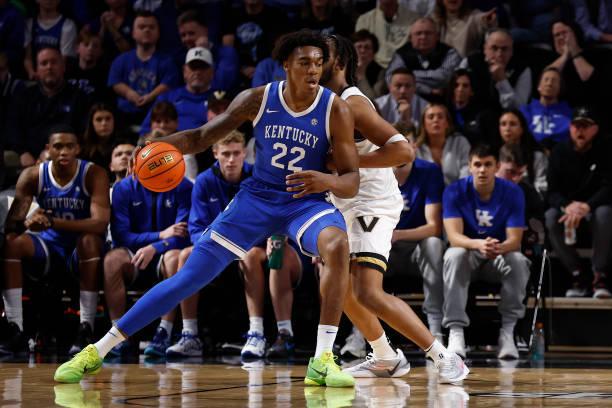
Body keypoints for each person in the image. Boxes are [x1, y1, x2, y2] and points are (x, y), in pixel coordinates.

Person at [55, 30, 359, 388]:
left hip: (305, 202)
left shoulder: (336, 107)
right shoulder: (257, 99)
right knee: (187, 278)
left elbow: (351, 180)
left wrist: (325, 180)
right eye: (304, 62)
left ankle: (322, 359)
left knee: (337, 244)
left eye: (318, 63)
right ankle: (97, 350)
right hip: (258, 200)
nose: (313, 70)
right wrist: (156, 147)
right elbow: (200, 137)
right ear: (285, 65)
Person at [321, 34, 468, 382]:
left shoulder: (354, 103)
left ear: (338, 62)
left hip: (370, 201)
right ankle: (385, 356)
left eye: (319, 57)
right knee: (336, 287)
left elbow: (403, 152)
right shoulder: (318, 102)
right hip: (341, 200)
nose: (311, 64)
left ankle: (444, 357)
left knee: (367, 291)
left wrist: (350, 161)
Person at [174, 132, 302, 359]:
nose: (231, 160)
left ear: (245, 153)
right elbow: (196, 228)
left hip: (253, 247)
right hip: (219, 247)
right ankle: (189, 335)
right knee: (185, 255)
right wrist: (216, 247)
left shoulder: (259, 178)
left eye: (236, 153)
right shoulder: (204, 181)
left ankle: (257, 333)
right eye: (226, 154)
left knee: (251, 255)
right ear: (215, 154)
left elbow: (276, 215)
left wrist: (273, 236)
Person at [0, 126, 110, 355]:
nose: (64, 152)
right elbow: (12, 225)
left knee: (89, 241)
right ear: (48, 149)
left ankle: (86, 326)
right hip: (49, 247)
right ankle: (15, 328)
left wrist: (53, 222)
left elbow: (99, 224)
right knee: (12, 242)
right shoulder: (32, 175)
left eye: (69, 146)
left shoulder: (93, 173)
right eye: (58, 146)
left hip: (80, 250)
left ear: (78, 149)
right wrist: (29, 221)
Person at [442, 143, 531, 359]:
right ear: (469, 166)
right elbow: (454, 237)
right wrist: (479, 244)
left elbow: (515, 240)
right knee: (454, 255)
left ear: (497, 166)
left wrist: (496, 247)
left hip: (498, 255)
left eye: (488, 164)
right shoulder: (454, 190)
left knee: (518, 260)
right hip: (469, 256)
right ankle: (456, 332)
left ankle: (508, 332)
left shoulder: (513, 192)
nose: (482, 170)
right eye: (478, 164)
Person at [102, 158, 192, 358]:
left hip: (167, 251)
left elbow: (183, 234)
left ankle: (164, 332)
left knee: (175, 258)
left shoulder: (183, 185)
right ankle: (116, 335)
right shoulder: (123, 188)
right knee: (111, 260)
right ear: (136, 163)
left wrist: (156, 246)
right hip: (133, 253)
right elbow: (121, 236)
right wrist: (160, 236)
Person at [545, 106, 612, 298]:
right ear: (570, 128)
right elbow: (551, 192)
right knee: (550, 217)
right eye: (576, 126)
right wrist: (568, 206)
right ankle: (578, 274)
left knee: (605, 213)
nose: (580, 130)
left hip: (594, 208)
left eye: (585, 126)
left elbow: (609, 187)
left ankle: (599, 276)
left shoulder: (605, 150)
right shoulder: (559, 152)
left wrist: (587, 206)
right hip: (568, 210)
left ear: (595, 129)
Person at [387, 133, 446, 342]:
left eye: (405, 143)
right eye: (394, 144)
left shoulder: (429, 171)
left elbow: (434, 228)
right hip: (385, 248)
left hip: (415, 247)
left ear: (414, 146)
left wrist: (398, 234)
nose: (400, 149)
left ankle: (435, 328)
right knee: (365, 248)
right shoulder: (375, 171)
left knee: (434, 244)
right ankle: (360, 333)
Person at [6, 47, 90, 170]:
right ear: (37, 70)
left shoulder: (79, 97)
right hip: (29, 159)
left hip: (67, 157)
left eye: (54, 62)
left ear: (63, 67)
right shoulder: (24, 96)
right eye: (44, 63)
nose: (49, 67)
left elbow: (84, 132)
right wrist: (22, 152)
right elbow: (13, 128)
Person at [107, 10, 179, 128]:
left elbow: (168, 84)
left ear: (158, 32)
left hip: (156, 118)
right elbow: (115, 81)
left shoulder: (167, 61)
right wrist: (129, 93)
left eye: (151, 27)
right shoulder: (121, 60)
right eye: (142, 27)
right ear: (133, 33)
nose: (147, 30)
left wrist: (150, 97)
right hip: (124, 117)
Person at [385, 17, 462, 102]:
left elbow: (444, 77)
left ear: (437, 36)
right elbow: (391, 79)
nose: (423, 37)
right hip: (408, 101)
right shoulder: (400, 54)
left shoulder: (450, 53)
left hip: (444, 101)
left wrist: (410, 78)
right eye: (418, 33)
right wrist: (428, 90)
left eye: (428, 33)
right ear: (410, 38)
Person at [460, 29, 532, 111]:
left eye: (504, 49)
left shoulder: (522, 69)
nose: (499, 54)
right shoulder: (470, 62)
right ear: (485, 49)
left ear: (511, 51)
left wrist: (502, 81)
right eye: (494, 48)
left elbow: (519, 108)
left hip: (503, 117)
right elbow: (455, 95)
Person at [415, 103, 471, 185]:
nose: (436, 120)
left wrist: (457, 190)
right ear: (424, 124)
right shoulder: (417, 148)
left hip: (458, 191)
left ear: (447, 123)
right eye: (431, 117)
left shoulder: (460, 142)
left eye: (440, 117)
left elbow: (466, 170)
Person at [355, 0, 420, 68]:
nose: (388, 6)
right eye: (385, 4)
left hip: (404, 65)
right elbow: (360, 47)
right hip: (373, 65)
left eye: (390, 4)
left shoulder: (414, 19)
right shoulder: (364, 20)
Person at [496, 109, 548, 195]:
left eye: (513, 124)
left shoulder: (537, 156)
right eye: (503, 124)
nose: (507, 129)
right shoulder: (493, 154)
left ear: (522, 129)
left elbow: (542, 188)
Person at [23, 0, 77, 80]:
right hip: (36, 76)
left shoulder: (68, 25)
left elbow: (64, 59)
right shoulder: (29, 24)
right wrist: (31, 72)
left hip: (58, 76)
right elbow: (28, 57)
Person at [520, 67, 571, 150]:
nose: (549, 84)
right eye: (546, 79)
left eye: (554, 81)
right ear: (538, 86)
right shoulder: (525, 111)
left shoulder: (569, 115)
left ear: (560, 88)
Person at [432, 0, 497, 58]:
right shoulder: (435, 19)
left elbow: (482, 19)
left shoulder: (473, 17)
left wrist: (487, 21)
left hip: (467, 66)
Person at [375, 68, 427, 134]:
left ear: (414, 87)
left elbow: (426, 135)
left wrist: (408, 121)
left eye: (407, 86)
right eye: (398, 86)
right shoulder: (378, 105)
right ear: (390, 87)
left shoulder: (426, 107)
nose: (403, 91)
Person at [351, 30, 386, 101]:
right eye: (359, 47)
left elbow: (374, 101)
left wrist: (361, 75)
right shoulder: (344, 68)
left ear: (373, 53)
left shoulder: (381, 73)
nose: (363, 51)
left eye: (367, 47)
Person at [80, 104, 117, 170]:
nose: (104, 123)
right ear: (91, 123)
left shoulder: (124, 144)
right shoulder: (82, 148)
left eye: (108, 119)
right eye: (99, 120)